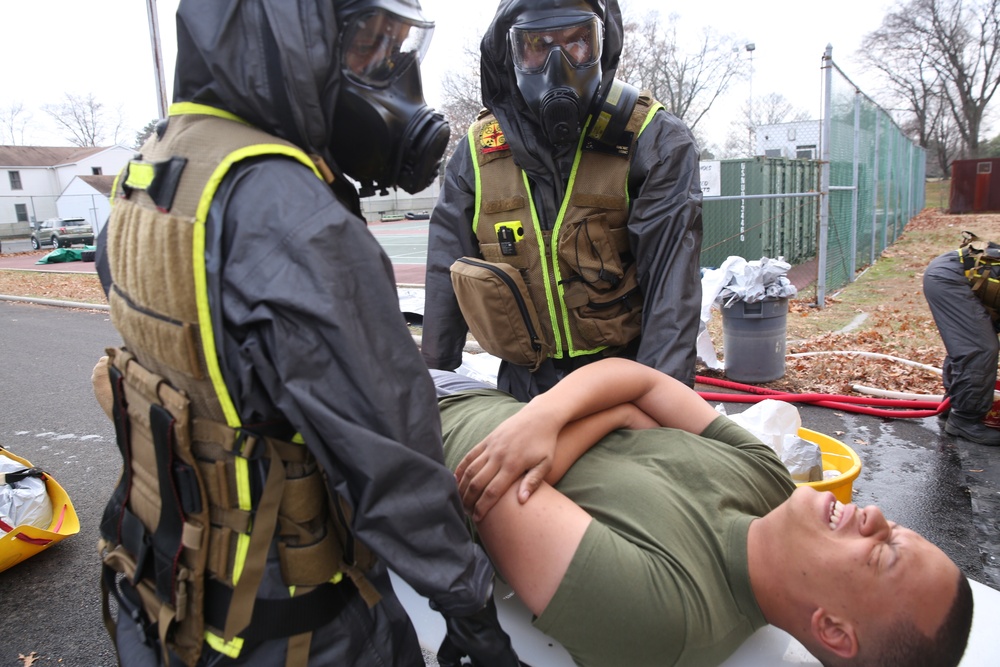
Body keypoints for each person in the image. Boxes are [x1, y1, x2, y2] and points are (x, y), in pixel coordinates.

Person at [90, 1, 520, 666]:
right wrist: (469, 608)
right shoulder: (294, 218)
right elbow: (392, 452)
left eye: (396, 46)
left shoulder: (152, 169)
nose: (385, 74)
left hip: (171, 591)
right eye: (366, 46)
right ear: (284, 37)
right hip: (294, 621)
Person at [429, 359, 974, 667]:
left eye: (883, 555)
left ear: (832, 630)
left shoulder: (665, 620)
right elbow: (636, 379)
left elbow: (491, 495)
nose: (875, 514)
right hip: (470, 393)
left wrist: (599, 417)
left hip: (400, 431)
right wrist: (552, 419)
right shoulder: (769, 480)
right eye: (896, 528)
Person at [421, 0, 703, 401]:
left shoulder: (653, 140)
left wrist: (661, 409)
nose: (559, 63)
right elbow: (444, 271)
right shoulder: (478, 153)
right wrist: (432, 386)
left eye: (577, 42)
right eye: (537, 45)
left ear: (601, 44)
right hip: (523, 385)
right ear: (509, 53)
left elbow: (671, 292)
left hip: (623, 379)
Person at [924, 235, 1000, 446]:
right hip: (950, 279)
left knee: (971, 344)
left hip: (951, 275)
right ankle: (965, 420)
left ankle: (952, 407)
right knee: (980, 348)